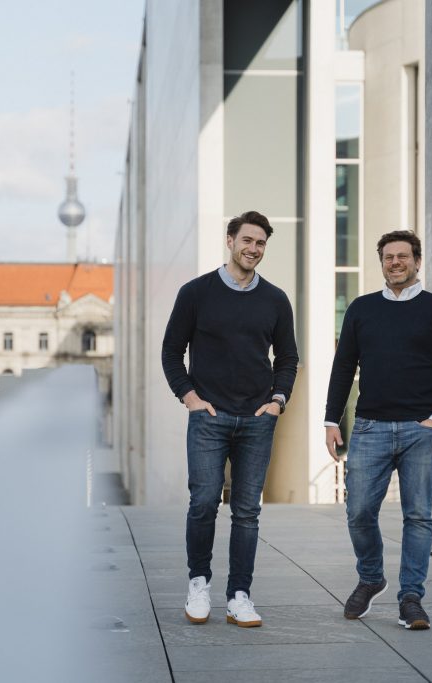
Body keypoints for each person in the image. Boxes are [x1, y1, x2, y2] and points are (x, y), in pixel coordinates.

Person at [324, 229, 432, 630]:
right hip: (369, 428)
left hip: (419, 431)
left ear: (417, 261)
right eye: (388, 257)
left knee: (419, 517)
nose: (395, 263)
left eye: (402, 256)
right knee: (358, 512)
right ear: (382, 263)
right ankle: (371, 577)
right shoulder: (361, 309)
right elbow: (343, 369)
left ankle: (411, 598)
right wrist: (331, 419)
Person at [162, 210, 298, 628]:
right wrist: (190, 398)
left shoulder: (275, 299)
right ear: (230, 240)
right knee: (203, 503)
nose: (254, 249)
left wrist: (277, 400)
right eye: (248, 241)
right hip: (209, 417)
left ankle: (240, 595)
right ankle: (198, 582)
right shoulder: (196, 293)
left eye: (261, 244)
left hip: (257, 419)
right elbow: (172, 351)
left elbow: (288, 357)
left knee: (247, 511)